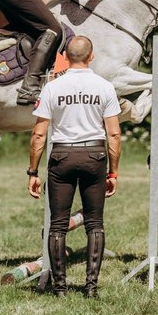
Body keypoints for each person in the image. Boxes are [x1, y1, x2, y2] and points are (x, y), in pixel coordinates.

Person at [28, 36, 121, 298]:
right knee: (95, 224)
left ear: (66, 57)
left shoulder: (52, 88)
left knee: (57, 225)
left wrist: (33, 172)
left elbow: (38, 134)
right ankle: (91, 287)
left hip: (62, 156)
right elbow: (114, 134)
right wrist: (113, 172)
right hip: (94, 155)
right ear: (92, 56)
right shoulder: (105, 87)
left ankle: (60, 288)